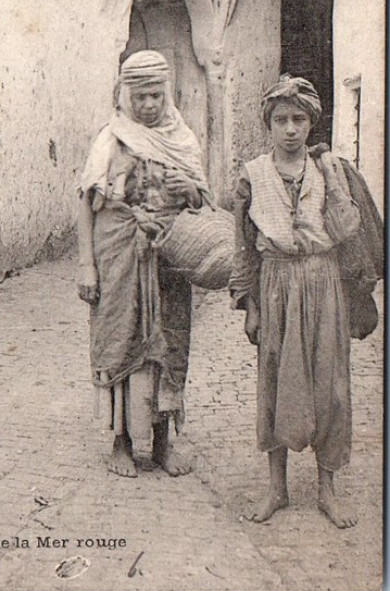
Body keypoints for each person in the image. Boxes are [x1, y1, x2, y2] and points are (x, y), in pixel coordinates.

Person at [230, 75, 374, 529]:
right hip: (275, 283)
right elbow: (243, 245)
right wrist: (250, 304)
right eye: (280, 120)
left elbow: (350, 234)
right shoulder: (250, 176)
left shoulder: (331, 172)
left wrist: (355, 295)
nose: (289, 129)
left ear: (311, 122)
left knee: (330, 384)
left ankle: (328, 490)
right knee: (274, 379)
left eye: (298, 119)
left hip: (323, 279)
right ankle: (277, 488)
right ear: (267, 125)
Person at [77, 50, 210, 478]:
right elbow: (87, 206)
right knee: (122, 340)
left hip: (167, 256)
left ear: (166, 94)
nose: (149, 105)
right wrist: (87, 267)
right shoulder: (111, 138)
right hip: (119, 253)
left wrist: (188, 185)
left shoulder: (182, 138)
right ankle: (121, 442)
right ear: (126, 95)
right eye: (141, 96)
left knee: (167, 344)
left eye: (156, 95)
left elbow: (201, 202)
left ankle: (163, 443)